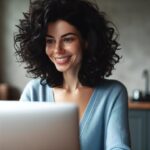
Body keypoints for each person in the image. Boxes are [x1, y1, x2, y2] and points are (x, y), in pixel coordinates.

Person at [14, 0, 131, 149]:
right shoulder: (33, 92)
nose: (57, 50)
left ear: (87, 41)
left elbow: (119, 147)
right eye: (50, 41)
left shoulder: (113, 93)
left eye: (68, 39)